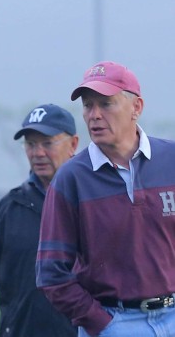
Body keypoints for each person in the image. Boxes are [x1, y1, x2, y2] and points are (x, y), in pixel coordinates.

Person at [37, 61, 175, 336]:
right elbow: (51, 272)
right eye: (88, 105)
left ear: (136, 108)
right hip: (115, 323)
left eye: (106, 104)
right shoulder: (71, 178)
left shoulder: (171, 159)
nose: (94, 115)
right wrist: (100, 323)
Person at [0, 104, 78, 337]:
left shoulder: (90, 202)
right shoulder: (11, 205)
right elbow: (2, 281)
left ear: (73, 144)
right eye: (31, 144)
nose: (38, 153)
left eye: (47, 143)